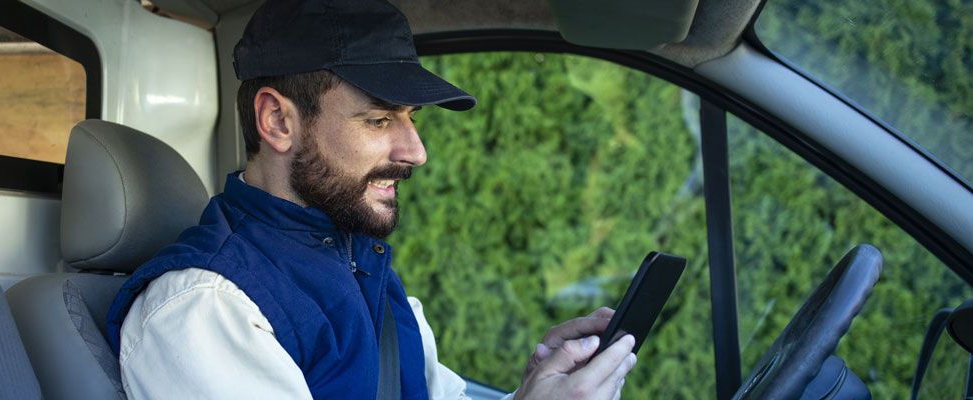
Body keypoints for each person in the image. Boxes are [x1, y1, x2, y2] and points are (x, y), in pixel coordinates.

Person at [104, 0, 638, 398]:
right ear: (277, 121)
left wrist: (535, 390)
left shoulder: (358, 259)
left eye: (410, 119)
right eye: (379, 119)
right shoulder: (203, 310)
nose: (416, 152)